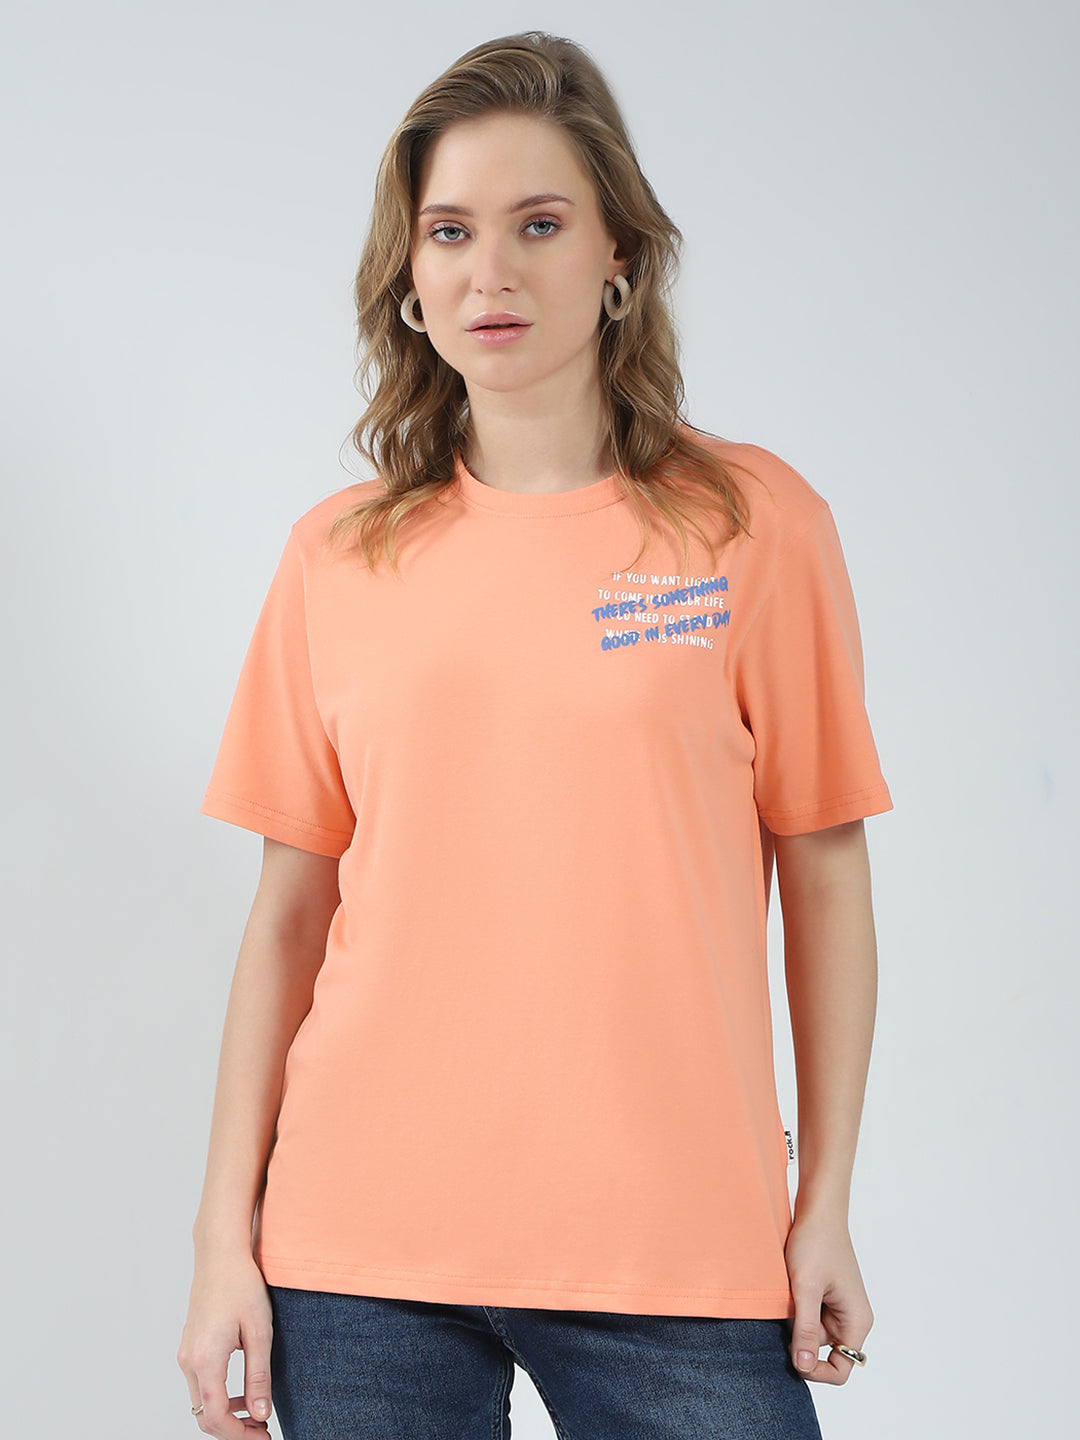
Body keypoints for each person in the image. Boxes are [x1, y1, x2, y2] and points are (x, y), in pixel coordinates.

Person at [177, 30, 891, 1440]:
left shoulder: (753, 525)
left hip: (674, 1247)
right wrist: (221, 1245)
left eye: (540, 224)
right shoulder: (337, 555)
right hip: (358, 1254)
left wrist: (824, 1207)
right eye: (449, 230)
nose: (489, 271)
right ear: (410, 273)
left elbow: (826, 876)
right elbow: (289, 916)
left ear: (619, 254)